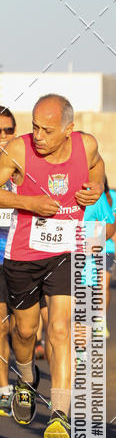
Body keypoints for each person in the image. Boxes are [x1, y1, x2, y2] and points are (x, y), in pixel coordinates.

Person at [0, 93, 104, 438]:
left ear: (69, 130)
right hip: (24, 254)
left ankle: (59, 413)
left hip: (66, 248)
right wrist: (28, 202)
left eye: (47, 130)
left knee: (60, 328)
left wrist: (97, 188)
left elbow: (97, 166)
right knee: (25, 331)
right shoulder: (18, 150)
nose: (38, 136)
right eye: (35, 128)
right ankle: (26, 377)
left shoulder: (85, 145)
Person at [84, 177, 116, 336]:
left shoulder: (112, 196)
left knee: (103, 285)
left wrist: (114, 229)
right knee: (85, 289)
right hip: (85, 250)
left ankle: (100, 319)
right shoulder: (84, 195)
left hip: (107, 248)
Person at [0, 106, 16, 415]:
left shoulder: (24, 165)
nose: (3, 137)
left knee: (26, 329)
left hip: (29, 254)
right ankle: (3, 387)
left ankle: (24, 369)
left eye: (9, 130)